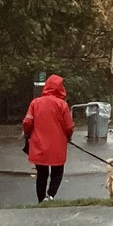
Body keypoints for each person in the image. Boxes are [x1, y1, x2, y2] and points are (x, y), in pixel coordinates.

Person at [22, 73, 75, 202]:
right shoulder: (62, 105)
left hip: (39, 144)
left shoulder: (36, 103)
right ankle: (50, 195)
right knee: (57, 172)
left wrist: (27, 133)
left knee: (41, 174)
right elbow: (69, 126)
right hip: (57, 144)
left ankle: (41, 199)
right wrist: (68, 137)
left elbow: (27, 122)